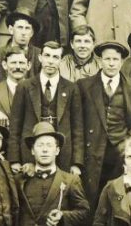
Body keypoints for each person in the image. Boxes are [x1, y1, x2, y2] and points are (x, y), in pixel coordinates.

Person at [78, 41, 131, 205]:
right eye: (107, 59)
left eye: (115, 59)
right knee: (91, 199)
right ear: (100, 61)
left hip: (122, 153)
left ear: (121, 62)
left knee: (119, 199)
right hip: (91, 153)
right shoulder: (84, 86)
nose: (111, 63)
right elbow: (77, 123)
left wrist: (128, 140)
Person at [15, 123, 90, 226]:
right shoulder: (20, 180)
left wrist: (63, 216)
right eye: (40, 145)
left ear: (57, 150)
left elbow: (84, 212)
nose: (44, 150)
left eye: (49, 145)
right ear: (32, 150)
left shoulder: (70, 180)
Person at [7, 41, 84, 174]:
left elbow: (77, 128)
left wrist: (76, 163)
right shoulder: (25, 87)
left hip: (63, 156)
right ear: (40, 57)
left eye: (55, 57)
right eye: (47, 56)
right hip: (30, 156)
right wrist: (15, 160)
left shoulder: (71, 88)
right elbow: (15, 126)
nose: (50, 61)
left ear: (61, 60)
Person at [0, 11, 42, 109]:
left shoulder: (40, 57)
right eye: (20, 27)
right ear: (11, 30)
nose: (23, 33)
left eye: (27, 28)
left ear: (32, 33)